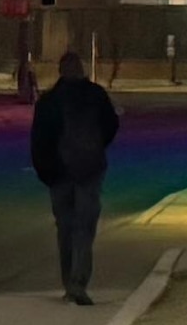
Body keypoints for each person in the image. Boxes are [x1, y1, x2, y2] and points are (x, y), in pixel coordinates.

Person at [29, 42, 122, 304]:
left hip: (58, 174)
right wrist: (95, 150)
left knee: (65, 228)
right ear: (81, 70)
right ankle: (79, 280)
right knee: (84, 228)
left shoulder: (48, 102)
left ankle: (69, 282)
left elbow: (39, 142)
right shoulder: (96, 95)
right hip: (89, 170)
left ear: (60, 71)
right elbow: (111, 126)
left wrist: (47, 172)